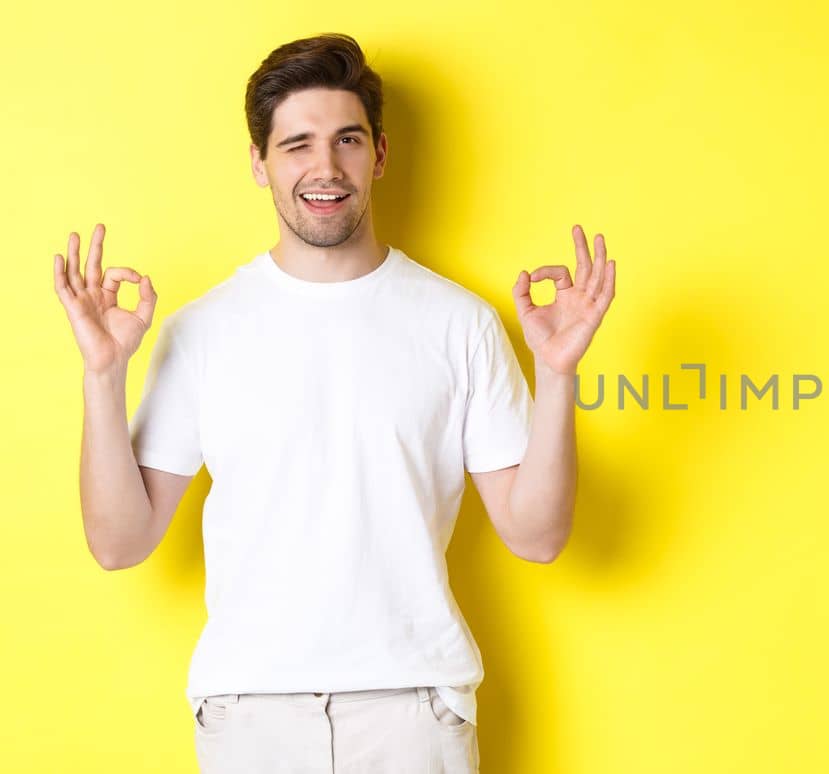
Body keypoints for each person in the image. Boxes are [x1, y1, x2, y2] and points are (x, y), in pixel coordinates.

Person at [50, 33, 616, 773]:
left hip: (414, 712)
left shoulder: (459, 322)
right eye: (297, 145)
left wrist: (559, 375)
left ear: (378, 154)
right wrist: (102, 375)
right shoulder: (202, 331)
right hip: (251, 716)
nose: (325, 168)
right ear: (260, 163)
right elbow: (118, 544)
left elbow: (537, 536)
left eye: (347, 140)